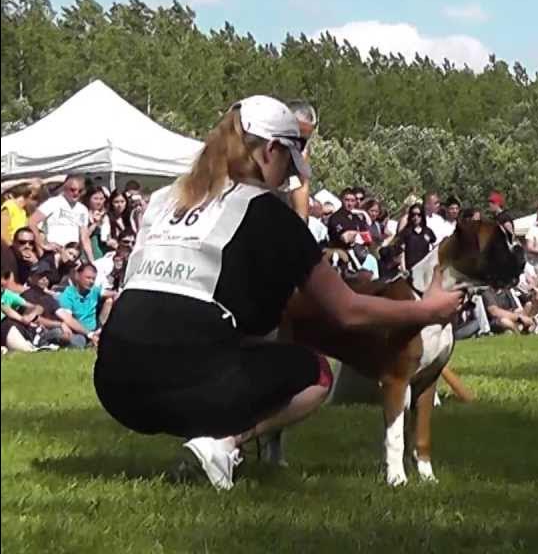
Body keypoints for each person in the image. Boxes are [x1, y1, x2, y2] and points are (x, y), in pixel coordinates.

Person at [93, 95, 465, 491]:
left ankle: (211, 431)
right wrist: (427, 311)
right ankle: (221, 445)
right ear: (271, 150)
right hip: (183, 383)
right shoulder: (269, 213)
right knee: (315, 373)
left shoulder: (163, 199)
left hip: (114, 384)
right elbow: (347, 310)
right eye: (290, 161)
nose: (290, 176)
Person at [28, 175, 94, 262]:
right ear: (65, 188)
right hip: (53, 254)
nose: (76, 193)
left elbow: (84, 238)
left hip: (72, 256)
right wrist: (42, 245)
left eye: (80, 190)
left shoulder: (83, 209)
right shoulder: (53, 202)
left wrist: (92, 262)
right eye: (72, 190)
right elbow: (32, 222)